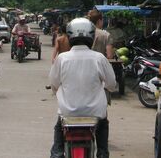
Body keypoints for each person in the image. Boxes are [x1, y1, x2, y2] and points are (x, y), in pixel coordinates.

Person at [49, 18, 116, 158]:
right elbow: (111, 84)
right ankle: (102, 154)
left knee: (58, 126)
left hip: (68, 113)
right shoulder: (99, 58)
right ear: (91, 36)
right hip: (95, 113)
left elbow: (54, 84)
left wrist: (57, 91)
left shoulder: (62, 58)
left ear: (70, 36)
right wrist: (105, 87)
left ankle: (57, 153)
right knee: (103, 126)